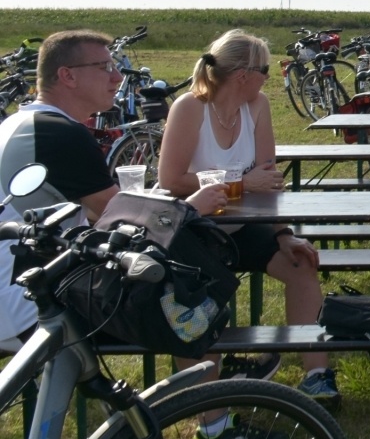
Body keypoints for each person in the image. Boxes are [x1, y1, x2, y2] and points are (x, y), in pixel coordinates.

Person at [0, 31, 227, 350]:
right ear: (67, 76)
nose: (118, 77)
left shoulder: (20, 123)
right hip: (25, 305)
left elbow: (100, 211)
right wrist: (190, 207)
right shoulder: (61, 134)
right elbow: (129, 223)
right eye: (104, 67)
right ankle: (205, 394)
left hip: (21, 288)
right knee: (192, 306)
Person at [158, 30, 336, 406]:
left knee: (301, 261)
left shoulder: (257, 106)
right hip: (198, 231)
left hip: (244, 226)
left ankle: (317, 377)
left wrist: (285, 234)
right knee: (203, 297)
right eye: (265, 70)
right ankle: (211, 402)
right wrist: (241, 182)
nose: (269, 78)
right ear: (243, 75)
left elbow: (269, 181)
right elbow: (171, 180)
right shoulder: (190, 108)